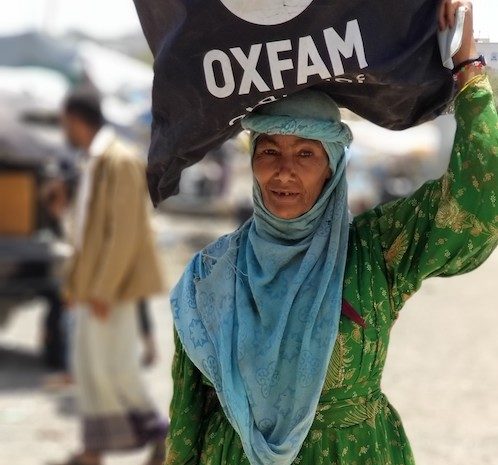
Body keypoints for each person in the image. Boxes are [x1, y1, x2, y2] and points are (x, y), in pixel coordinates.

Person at [166, 1, 497, 464]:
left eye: (305, 154)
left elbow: (478, 199)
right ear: (252, 161)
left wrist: (466, 66)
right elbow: (187, 418)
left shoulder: (376, 250)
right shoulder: (209, 276)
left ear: (333, 168)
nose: (284, 173)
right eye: (269, 153)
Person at [58, 88, 168, 465]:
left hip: (112, 290)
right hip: (93, 288)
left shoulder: (118, 161)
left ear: (75, 120)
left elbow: (124, 234)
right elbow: (84, 231)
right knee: (91, 371)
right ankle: (93, 450)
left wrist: (103, 290)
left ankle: (161, 435)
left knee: (116, 372)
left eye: (65, 123)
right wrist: (76, 286)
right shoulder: (93, 161)